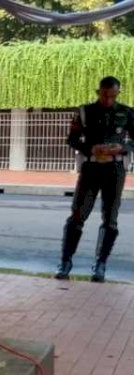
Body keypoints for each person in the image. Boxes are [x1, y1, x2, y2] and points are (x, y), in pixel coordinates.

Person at [55, 76, 134, 283]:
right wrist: (90, 148)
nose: (108, 99)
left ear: (117, 93)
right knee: (78, 215)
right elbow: (72, 139)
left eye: (113, 96)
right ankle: (65, 262)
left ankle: (101, 264)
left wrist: (123, 148)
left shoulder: (127, 112)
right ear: (99, 91)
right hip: (91, 167)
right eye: (105, 95)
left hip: (115, 169)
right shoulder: (85, 111)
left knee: (110, 220)